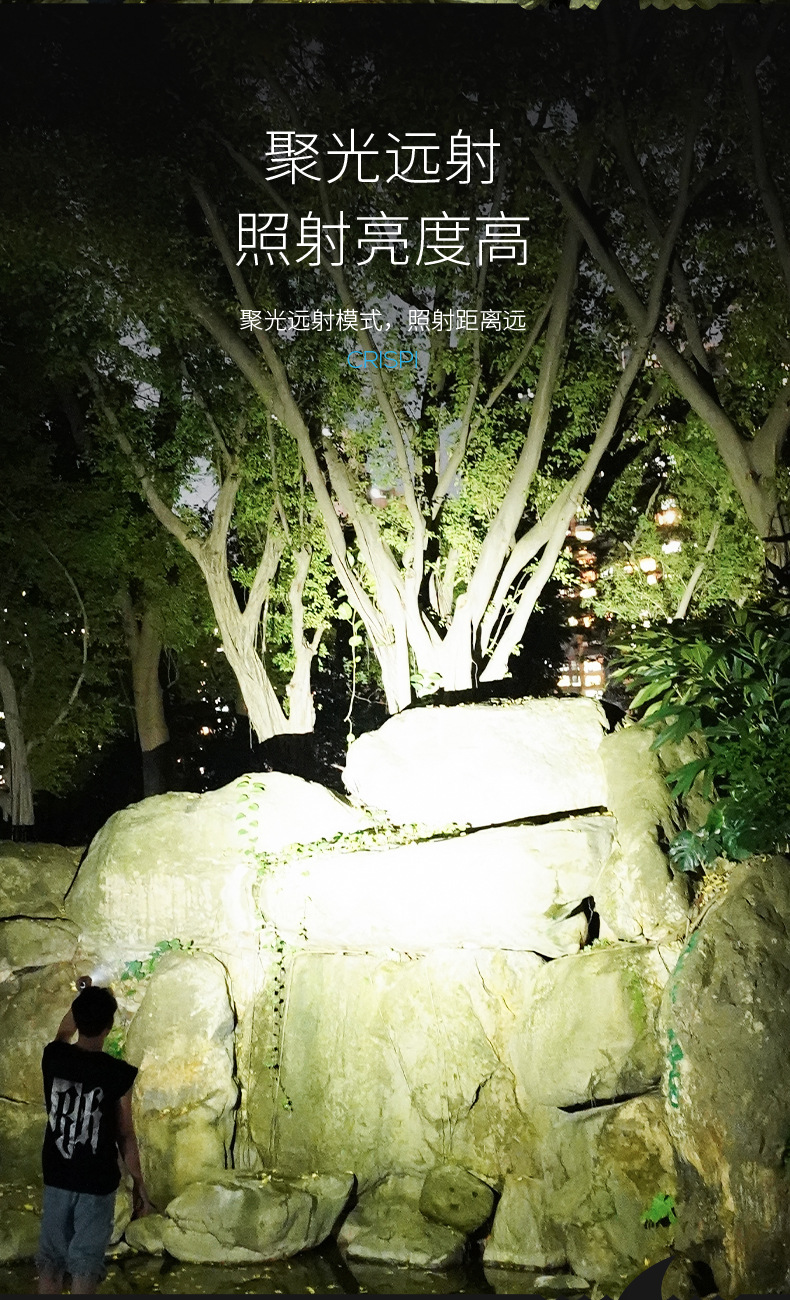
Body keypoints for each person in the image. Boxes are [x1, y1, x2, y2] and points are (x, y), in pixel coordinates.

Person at [36, 977, 152, 1295]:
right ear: (109, 1027)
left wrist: (84, 994)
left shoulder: (54, 1057)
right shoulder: (117, 1073)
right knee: (86, 1265)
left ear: (77, 1019)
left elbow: (64, 1031)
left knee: (50, 1263)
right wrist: (139, 1183)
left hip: (58, 1175)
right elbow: (125, 1135)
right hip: (96, 1182)